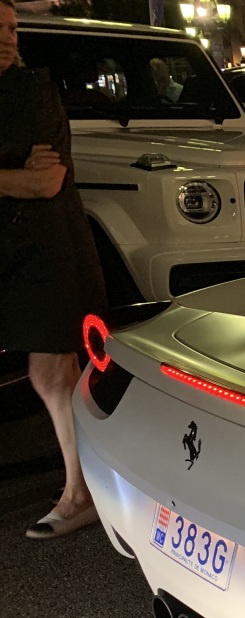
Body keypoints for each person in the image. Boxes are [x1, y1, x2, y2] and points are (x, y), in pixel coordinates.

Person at [0, 0, 108, 539]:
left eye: (12, 29)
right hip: (9, 248)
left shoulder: (32, 92)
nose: (7, 39)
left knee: (51, 371)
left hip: (46, 250)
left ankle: (80, 492)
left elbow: (44, 183)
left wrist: (16, 179)